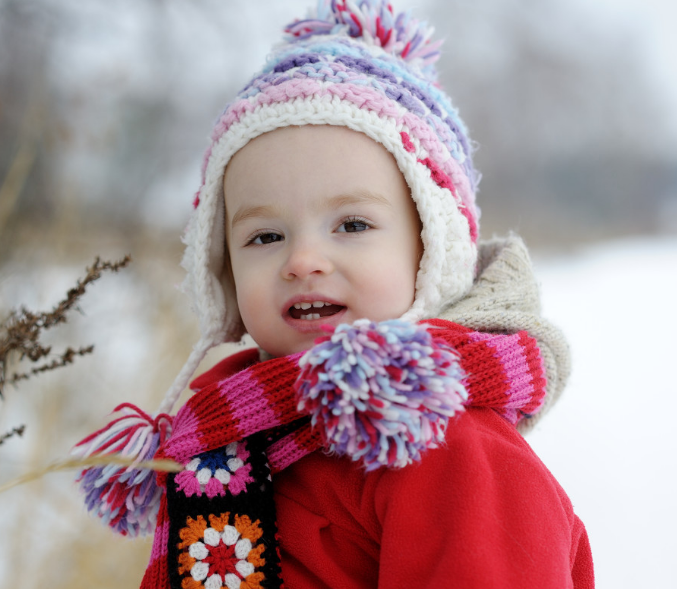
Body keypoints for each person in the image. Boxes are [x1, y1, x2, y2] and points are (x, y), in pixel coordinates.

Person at [75, 1, 595, 587]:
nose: (302, 261)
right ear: (221, 267)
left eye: (351, 225)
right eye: (265, 236)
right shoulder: (225, 428)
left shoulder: (453, 451)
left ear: (433, 251)